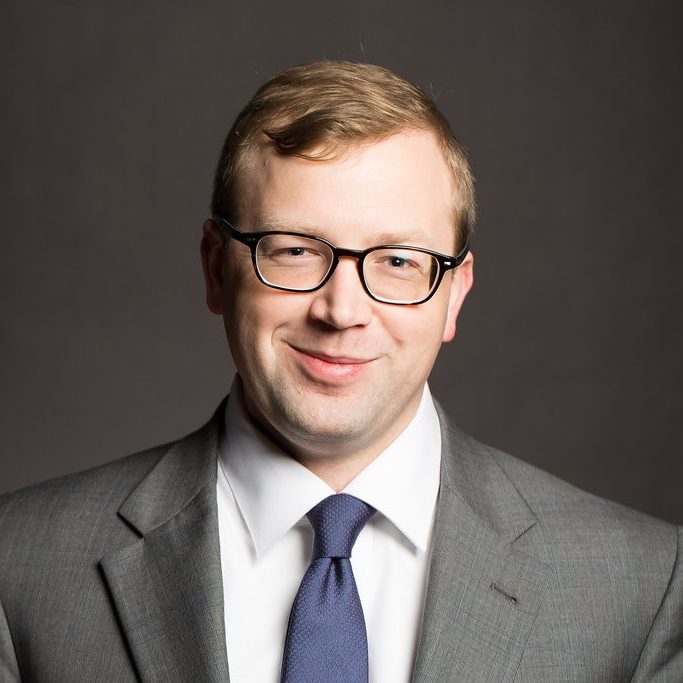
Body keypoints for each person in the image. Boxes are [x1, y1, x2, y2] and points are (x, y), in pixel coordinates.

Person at [0, 60, 681, 682]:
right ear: (215, 267)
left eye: (397, 260)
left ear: (455, 294)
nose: (342, 310)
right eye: (294, 250)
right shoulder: (20, 566)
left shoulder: (643, 589)